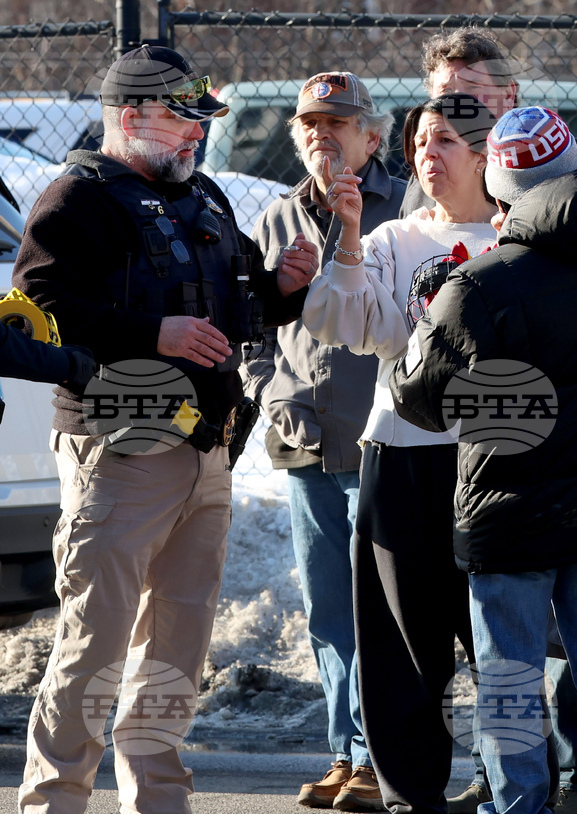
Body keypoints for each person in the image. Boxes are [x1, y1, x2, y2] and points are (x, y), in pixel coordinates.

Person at [12, 45, 317, 813]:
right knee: (95, 647)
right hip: (120, 448)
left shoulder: (203, 195)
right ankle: (57, 801)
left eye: (200, 122)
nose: (196, 138)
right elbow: (38, 314)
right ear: (130, 117)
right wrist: (154, 333)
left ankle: (159, 799)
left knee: (175, 648)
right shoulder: (76, 200)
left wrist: (282, 287)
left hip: (205, 450)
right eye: (183, 121)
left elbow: (241, 301)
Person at [388, 106, 577, 814]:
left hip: (511, 508)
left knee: (509, 677)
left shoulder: (480, 286)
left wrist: (434, 315)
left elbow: (419, 402)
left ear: (498, 191)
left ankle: (518, 805)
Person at [301, 93, 497, 814]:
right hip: (405, 454)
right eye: (419, 142)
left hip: (493, 460)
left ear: (484, 154)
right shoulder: (393, 238)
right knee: (400, 646)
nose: (426, 154)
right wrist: (349, 233)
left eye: (445, 140)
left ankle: (515, 783)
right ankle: (411, 796)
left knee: (497, 641)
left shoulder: (517, 237)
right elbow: (345, 323)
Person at [240, 71, 405, 811]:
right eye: (309, 123)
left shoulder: (405, 210)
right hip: (305, 443)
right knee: (330, 611)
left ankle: (381, 757)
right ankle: (344, 752)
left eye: (338, 123)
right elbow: (251, 326)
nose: (321, 134)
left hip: (385, 442)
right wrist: (266, 394)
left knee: (384, 610)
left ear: (372, 137)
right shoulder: (275, 218)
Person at [402, 26, 577, 219]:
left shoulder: (565, 155)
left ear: (507, 94)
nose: (458, 103)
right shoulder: (427, 173)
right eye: (446, 92)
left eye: (472, 88)